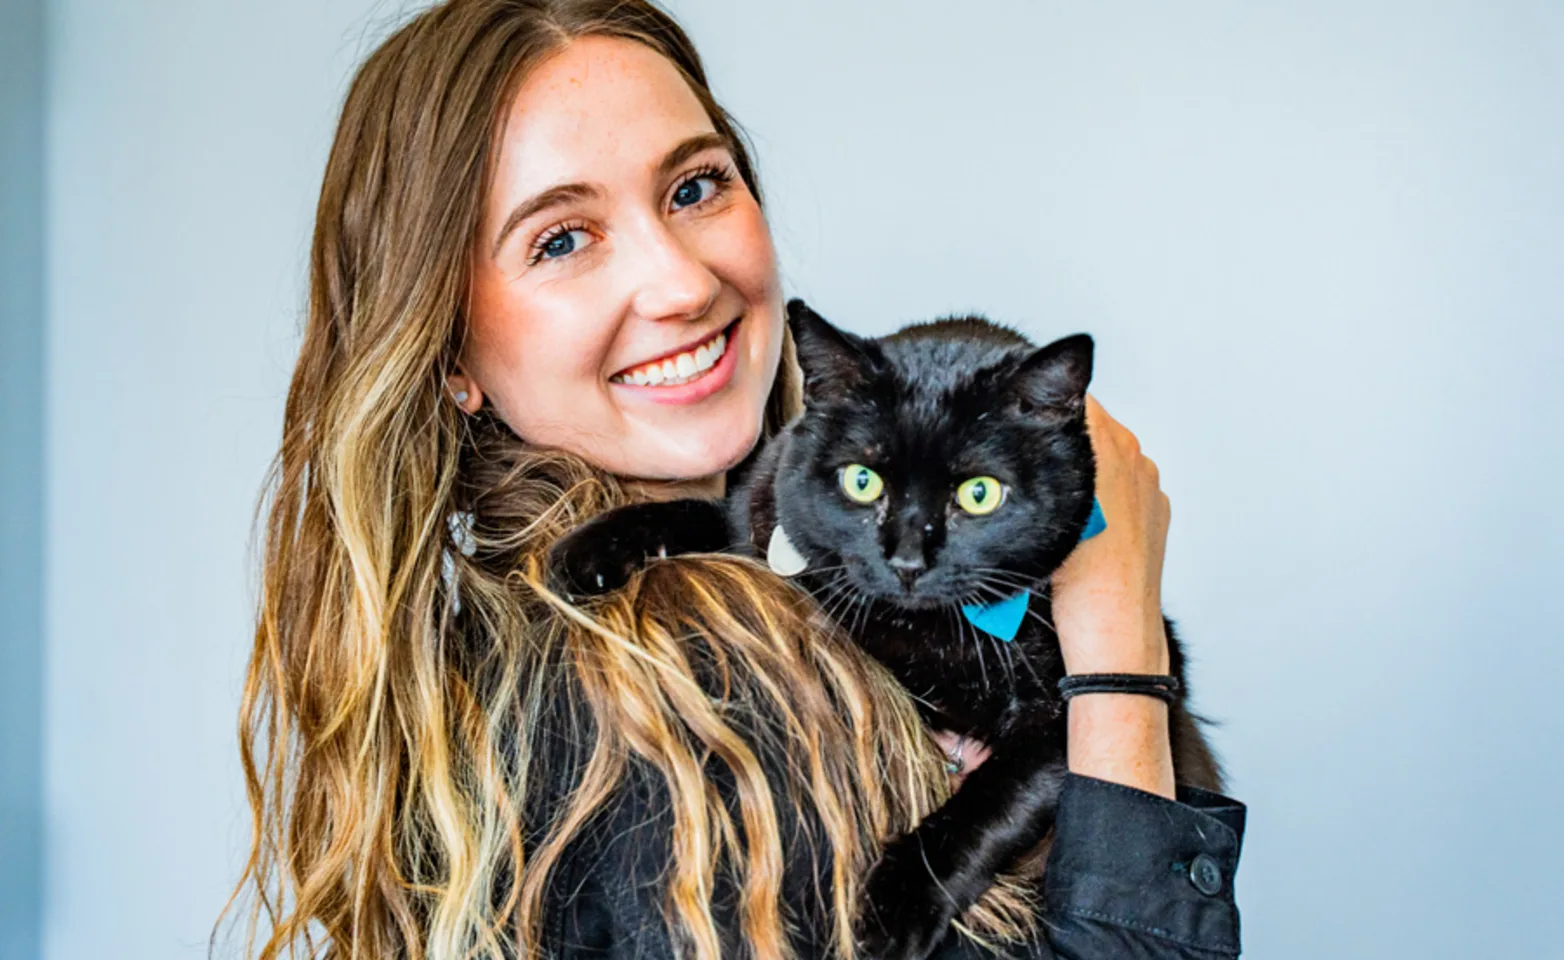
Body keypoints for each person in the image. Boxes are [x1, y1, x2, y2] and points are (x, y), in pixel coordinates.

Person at [230, 1, 1245, 958]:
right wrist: (1118, 657)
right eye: (562, 239)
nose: (681, 282)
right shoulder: (674, 699)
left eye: (693, 187)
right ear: (448, 354)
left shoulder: (545, 633)